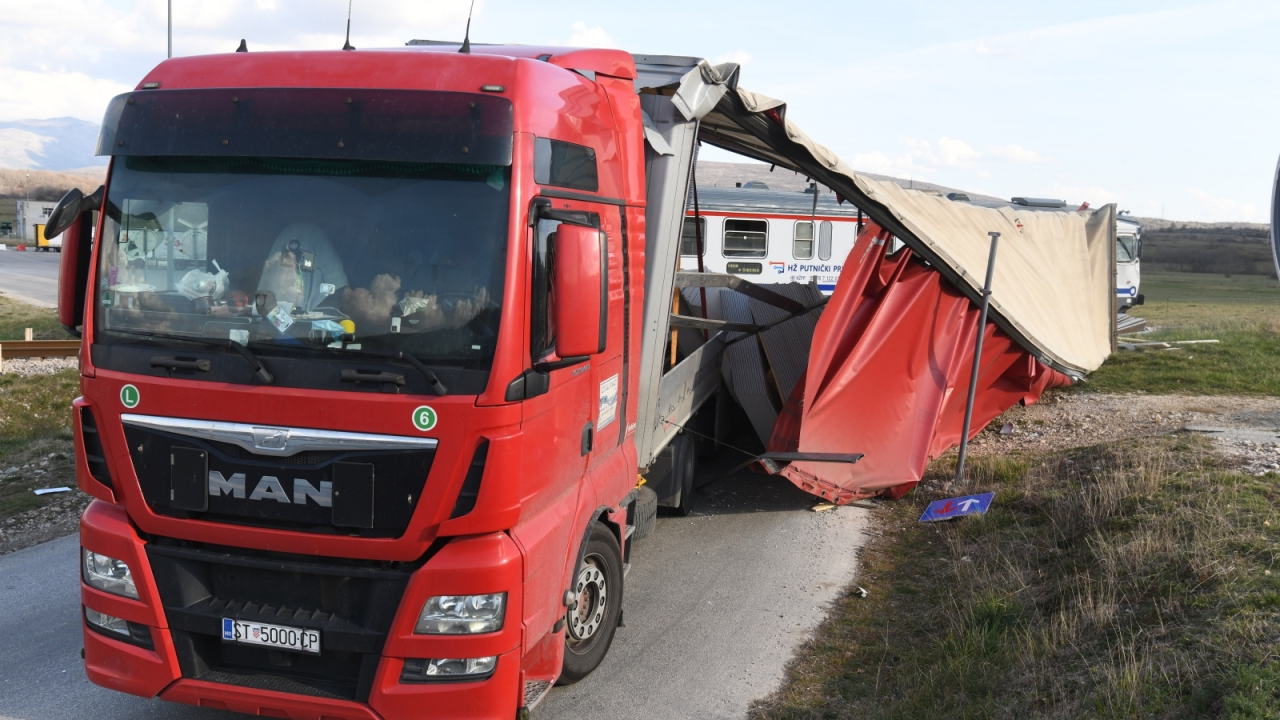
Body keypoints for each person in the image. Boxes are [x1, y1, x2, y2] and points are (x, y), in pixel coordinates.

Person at [257, 222, 348, 313]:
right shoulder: (269, 280)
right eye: (286, 262)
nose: (293, 266)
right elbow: (259, 308)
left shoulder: (330, 303)